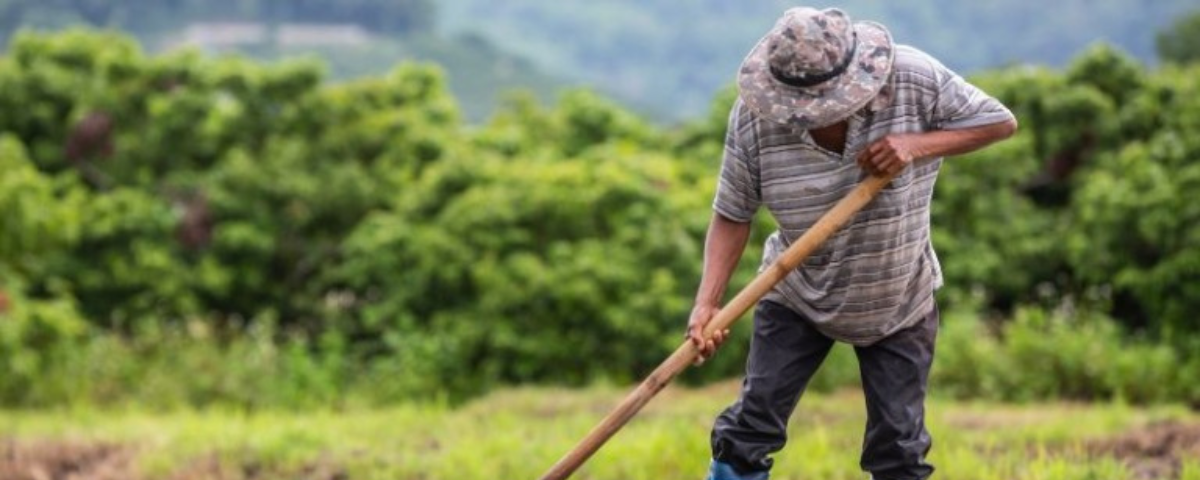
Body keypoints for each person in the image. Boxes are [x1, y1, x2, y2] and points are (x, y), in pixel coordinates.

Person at [687, 7, 1018, 480]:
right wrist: (707, 304)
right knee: (750, 428)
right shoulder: (756, 120)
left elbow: (999, 122)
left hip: (898, 296)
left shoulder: (913, 78)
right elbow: (732, 212)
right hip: (796, 291)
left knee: (898, 450)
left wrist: (914, 145)